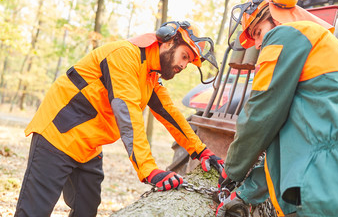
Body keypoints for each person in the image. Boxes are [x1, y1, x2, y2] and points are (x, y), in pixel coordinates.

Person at [14, 20, 224, 217]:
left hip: (89, 146)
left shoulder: (150, 75)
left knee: (86, 208)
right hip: (58, 135)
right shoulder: (125, 56)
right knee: (35, 211)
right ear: (169, 42)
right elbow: (129, 116)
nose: (183, 65)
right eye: (184, 56)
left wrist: (202, 151)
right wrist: (149, 170)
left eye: (188, 61)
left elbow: (171, 114)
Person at [216, 0, 338, 217]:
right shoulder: (321, 58)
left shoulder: (288, 32)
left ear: (275, 13)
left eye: (258, 32)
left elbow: (260, 113)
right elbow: (292, 149)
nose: (256, 45)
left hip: (325, 185)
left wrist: (231, 171)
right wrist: (245, 195)